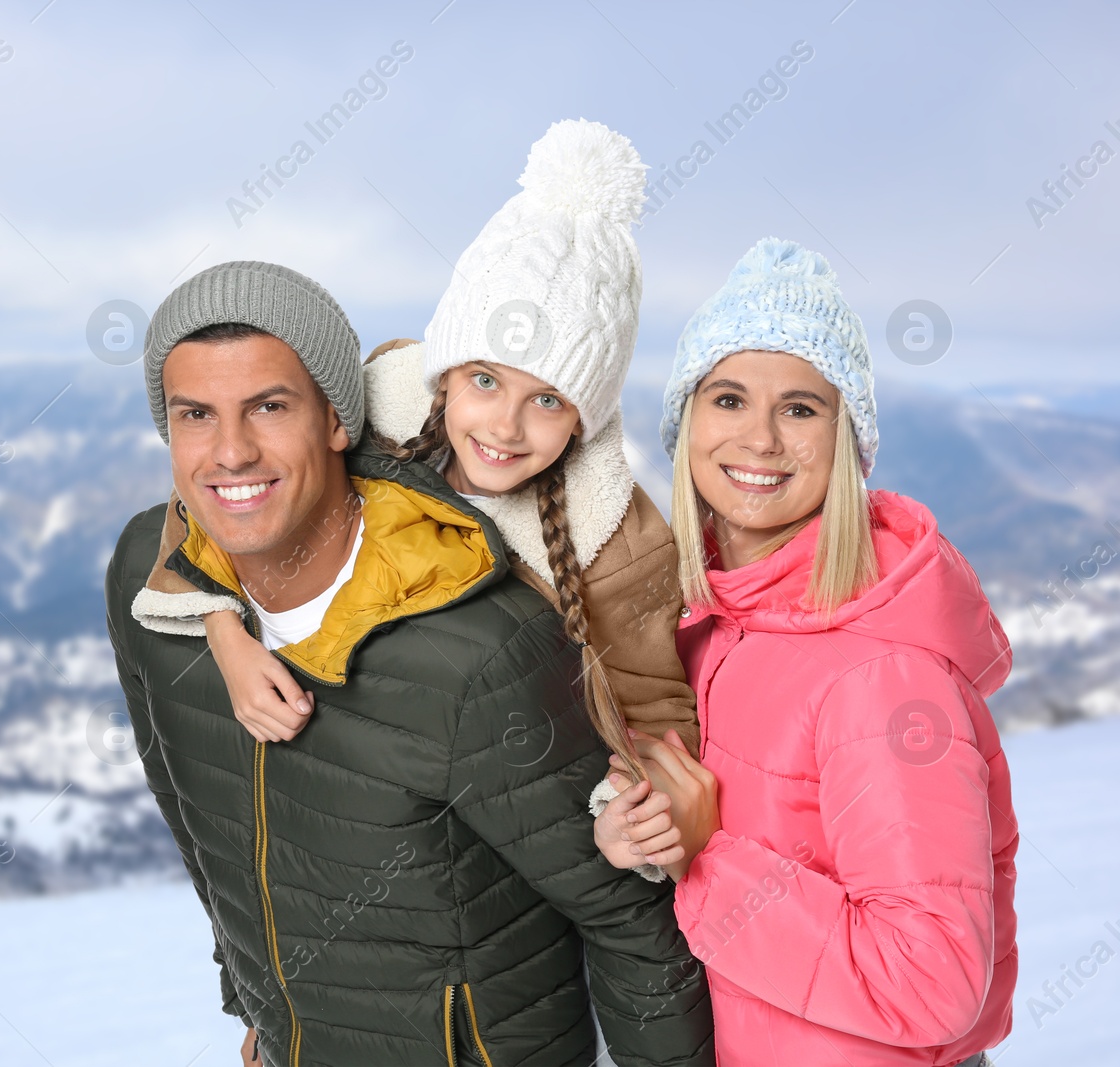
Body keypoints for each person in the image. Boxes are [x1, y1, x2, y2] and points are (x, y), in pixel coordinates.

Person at [105, 258, 713, 1065]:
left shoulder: (479, 648)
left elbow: (629, 921)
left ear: (335, 418)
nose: (231, 451)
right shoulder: (150, 593)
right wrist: (256, 1002)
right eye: (195, 415)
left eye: (269, 407)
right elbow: (193, 818)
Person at [132, 121, 699, 818]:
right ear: (443, 372)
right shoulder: (379, 411)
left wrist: (629, 809)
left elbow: (657, 709)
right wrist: (226, 631)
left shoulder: (614, 539)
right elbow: (224, 487)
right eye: (484, 381)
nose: (504, 426)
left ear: (585, 415)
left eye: (547, 399)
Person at [595, 237, 1018, 1066]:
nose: (759, 438)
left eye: (799, 407)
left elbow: (931, 980)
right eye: (726, 398)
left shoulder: (885, 676)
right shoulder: (712, 624)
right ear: (685, 426)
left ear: (846, 440)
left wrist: (708, 854)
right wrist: (636, 834)